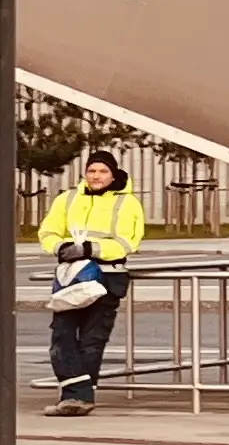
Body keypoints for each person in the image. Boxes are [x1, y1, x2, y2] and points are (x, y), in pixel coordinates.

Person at [36, 146, 148, 416]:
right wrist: (60, 248)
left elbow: (127, 242)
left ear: (113, 174)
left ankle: (77, 398)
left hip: (108, 276)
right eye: (92, 170)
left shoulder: (126, 202)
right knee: (62, 335)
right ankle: (78, 396)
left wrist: (90, 249)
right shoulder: (68, 199)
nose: (96, 176)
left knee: (91, 339)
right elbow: (48, 231)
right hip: (73, 277)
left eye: (103, 171)